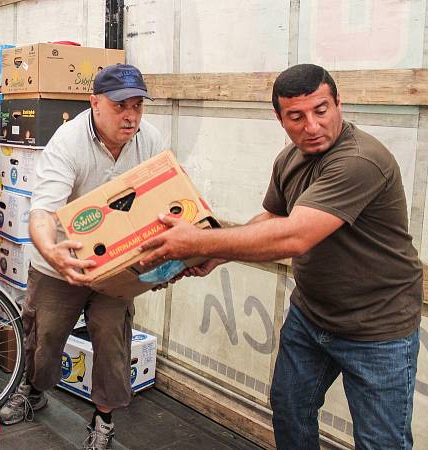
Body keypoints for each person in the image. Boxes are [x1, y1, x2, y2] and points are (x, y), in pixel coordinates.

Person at [139, 64, 423, 449]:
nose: (312, 125)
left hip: (375, 329)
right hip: (312, 315)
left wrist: (200, 244)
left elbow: (296, 236)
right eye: (297, 116)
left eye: (321, 110)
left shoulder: (360, 160)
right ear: (279, 118)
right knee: (290, 408)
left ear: (339, 104)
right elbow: (274, 217)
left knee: (380, 442)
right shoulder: (291, 158)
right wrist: (216, 252)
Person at [0, 64, 166, 450]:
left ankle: (104, 419)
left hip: (114, 261)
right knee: (44, 338)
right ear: (95, 103)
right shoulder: (68, 142)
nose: (131, 116)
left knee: (112, 338)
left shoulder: (149, 139)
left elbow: (162, 192)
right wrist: (53, 253)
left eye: (138, 106)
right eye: (121, 105)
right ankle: (33, 389)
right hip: (61, 259)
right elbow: (41, 211)